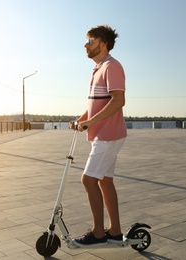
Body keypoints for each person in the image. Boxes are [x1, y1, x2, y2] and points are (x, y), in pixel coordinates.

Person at [70, 25, 127, 247]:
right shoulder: (98, 69)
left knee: (88, 179)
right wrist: (81, 119)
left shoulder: (112, 66)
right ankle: (114, 231)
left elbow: (118, 101)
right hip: (104, 135)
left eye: (90, 40)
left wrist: (90, 123)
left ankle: (98, 234)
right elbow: (96, 105)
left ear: (103, 43)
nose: (86, 44)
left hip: (108, 135)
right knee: (105, 181)